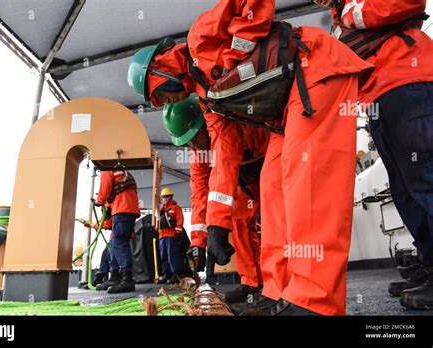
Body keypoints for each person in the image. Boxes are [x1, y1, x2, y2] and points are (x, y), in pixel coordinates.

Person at [128, 0, 373, 315]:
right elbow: (224, 153)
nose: (168, 101)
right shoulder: (207, 102)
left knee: (307, 183)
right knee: (272, 189)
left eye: (160, 95)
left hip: (313, 70)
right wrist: (216, 225)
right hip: (285, 113)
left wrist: (238, 49)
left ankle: (315, 302)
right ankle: (277, 289)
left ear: (161, 66)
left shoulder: (200, 37)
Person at [316, 0, 433, 310]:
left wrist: (354, 14)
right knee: (405, 190)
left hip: (410, 85)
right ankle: (430, 264)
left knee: (425, 180)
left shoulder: (351, 10)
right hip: (379, 99)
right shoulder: (337, 18)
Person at [163, 97, 266, 302]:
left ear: (205, 124)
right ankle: (252, 282)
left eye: (194, 138)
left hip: (268, 165)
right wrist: (199, 243)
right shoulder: (199, 154)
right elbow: (201, 196)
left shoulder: (232, 126)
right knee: (238, 222)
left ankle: (281, 283)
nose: (193, 145)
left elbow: (226, 167)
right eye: (188, 143)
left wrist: (217, 227)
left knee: (277, 223)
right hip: (242, 182)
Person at [95, 167, 140, 294]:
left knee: (119, 243)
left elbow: (104, 191)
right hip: (128, 209)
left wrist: (99, 202)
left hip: (122, 209)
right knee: (115, 243)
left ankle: (127, 280)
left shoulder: (106, 167)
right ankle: (114, 277)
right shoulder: (123, 171)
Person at [78, 203, 114, 287]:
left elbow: (107, 224)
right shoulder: (107, 211)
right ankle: (100, 277)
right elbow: (99, 223)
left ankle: (114, 278)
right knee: (105, 254)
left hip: (119, 236)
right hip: (114, 237)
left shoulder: (113, 210)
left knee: (110, 254)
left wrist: (94, 225)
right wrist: (86, 222)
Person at [157, 187, 185, 284]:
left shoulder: (176, 208)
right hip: (162, 236)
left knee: (172, 255)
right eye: (163, 197)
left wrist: (177, 233)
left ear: (171, 197)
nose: (165, 199)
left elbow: (179, 221)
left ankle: (176, 275)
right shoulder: (160, 209)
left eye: (167, 196)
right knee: (163, 256)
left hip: (171, 235)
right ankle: (167, 274)